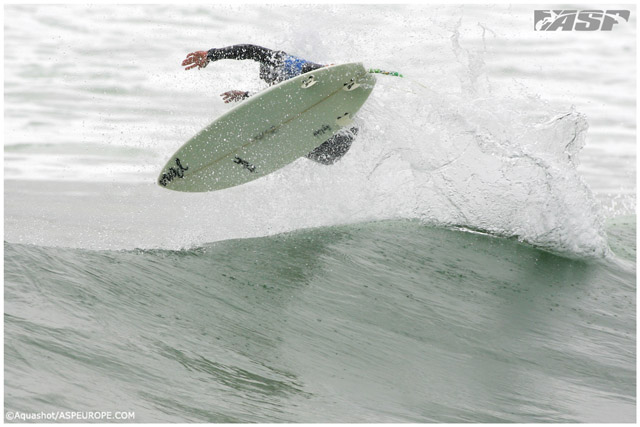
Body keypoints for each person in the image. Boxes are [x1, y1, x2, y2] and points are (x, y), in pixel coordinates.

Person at [182, 44, 357, 165]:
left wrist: (212, 55)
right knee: (273, 119)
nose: (270, 83)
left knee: (277, 117)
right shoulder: (286, 94)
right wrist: (246, 96)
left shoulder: (288, 65)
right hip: (325, 152)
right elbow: (275, 101)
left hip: (341, 133)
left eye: (270, 80)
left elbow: (250, 50)